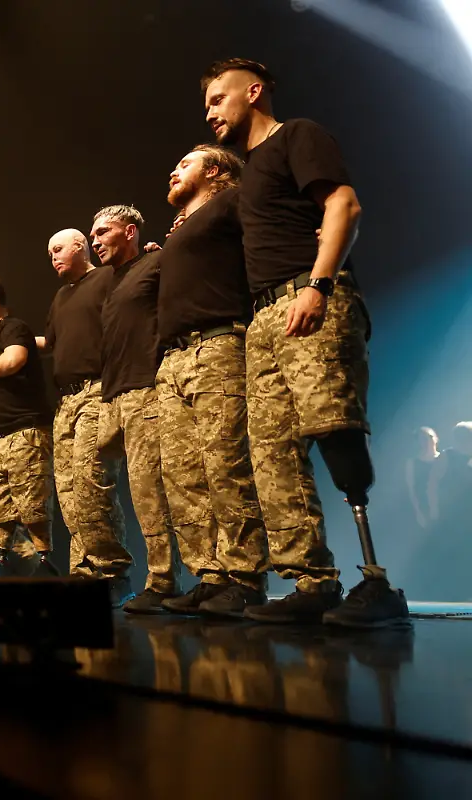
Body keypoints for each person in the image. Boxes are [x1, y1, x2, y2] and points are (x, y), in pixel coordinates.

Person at [202, 58, 408, 626]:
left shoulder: (297, 135)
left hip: (309, 298)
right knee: (271, 456)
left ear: (254, 91)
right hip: (265, 320)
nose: (210, 113)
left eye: (219, 100)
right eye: (207, 106)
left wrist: (318, 285)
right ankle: (312, 582)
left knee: (334, 429)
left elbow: (344, 204)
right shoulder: (246, 179)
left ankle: (379, 582)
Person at [155, 145, 271, 618]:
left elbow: (271, 237)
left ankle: (244, 576)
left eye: (184, 164)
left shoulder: (233, 202)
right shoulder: (184, 227)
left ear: (216, 170)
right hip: (173, 359)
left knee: (225, 463)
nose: (173, 169)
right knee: (184, 476)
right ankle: (210, 573)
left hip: (218, 345)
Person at [94, 205, 183, 612]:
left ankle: (164, 582)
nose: (95, 240)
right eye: (92, 234)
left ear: (129, 232)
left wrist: (163, 250)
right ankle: (118, 575)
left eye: (103, 232)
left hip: (146, 386)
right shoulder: (110, 282)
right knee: (120, 489)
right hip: (113, 395)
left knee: (151, 490)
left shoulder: (155, 262)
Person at [36, 229, 132, 604]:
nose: (53, 256)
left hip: (97, 391)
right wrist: (9, 340)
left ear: (80, 246)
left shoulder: (108, 277)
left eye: (58, 248)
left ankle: (112, 572)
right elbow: (53, 343)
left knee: (93, 484)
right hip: (65, 402)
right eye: (49, 252)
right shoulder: (61, 296)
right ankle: (84, 572)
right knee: (69, 492)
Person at [0, 276, 57, 576]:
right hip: (1, 438)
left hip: (25, 433)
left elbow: (16, 359)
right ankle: (8, 564)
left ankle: (44, 566)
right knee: (1, 507)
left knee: (32, 505)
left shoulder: (12, 327)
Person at [405, 426, 439, 532]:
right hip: (426, 507)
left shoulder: (445, 458)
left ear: (436, 438)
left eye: (429, 437)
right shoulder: (413, 463)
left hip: (444, 504)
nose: (427, 441)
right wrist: (418, 512)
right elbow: (412, 489)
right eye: (422, 438)